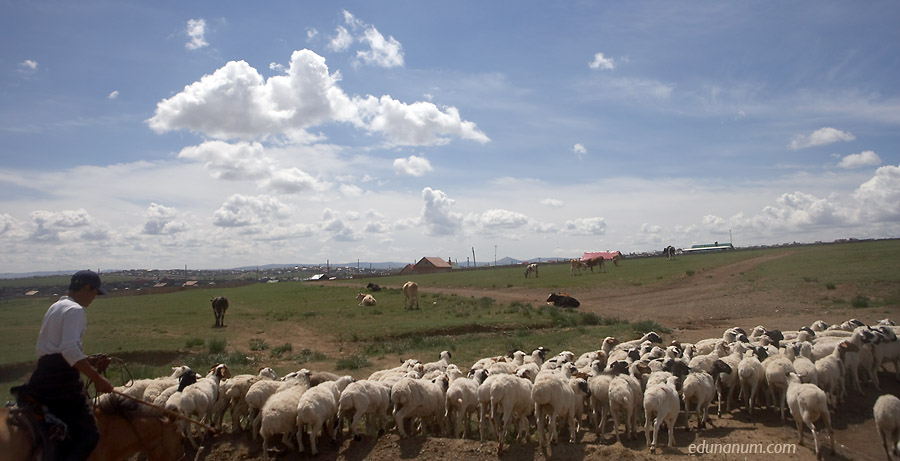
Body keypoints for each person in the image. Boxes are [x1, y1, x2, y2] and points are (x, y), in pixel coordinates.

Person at [25, 270, 114, 460]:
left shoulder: (56, 306)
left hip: (41, 376)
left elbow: (56, 351)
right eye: (94, 293)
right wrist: (97, 378)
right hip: (61, 382)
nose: (93, 298)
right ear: (86, 288)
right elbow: (68, 350)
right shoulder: (75, 310)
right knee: (89, 435)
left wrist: (87, 360)